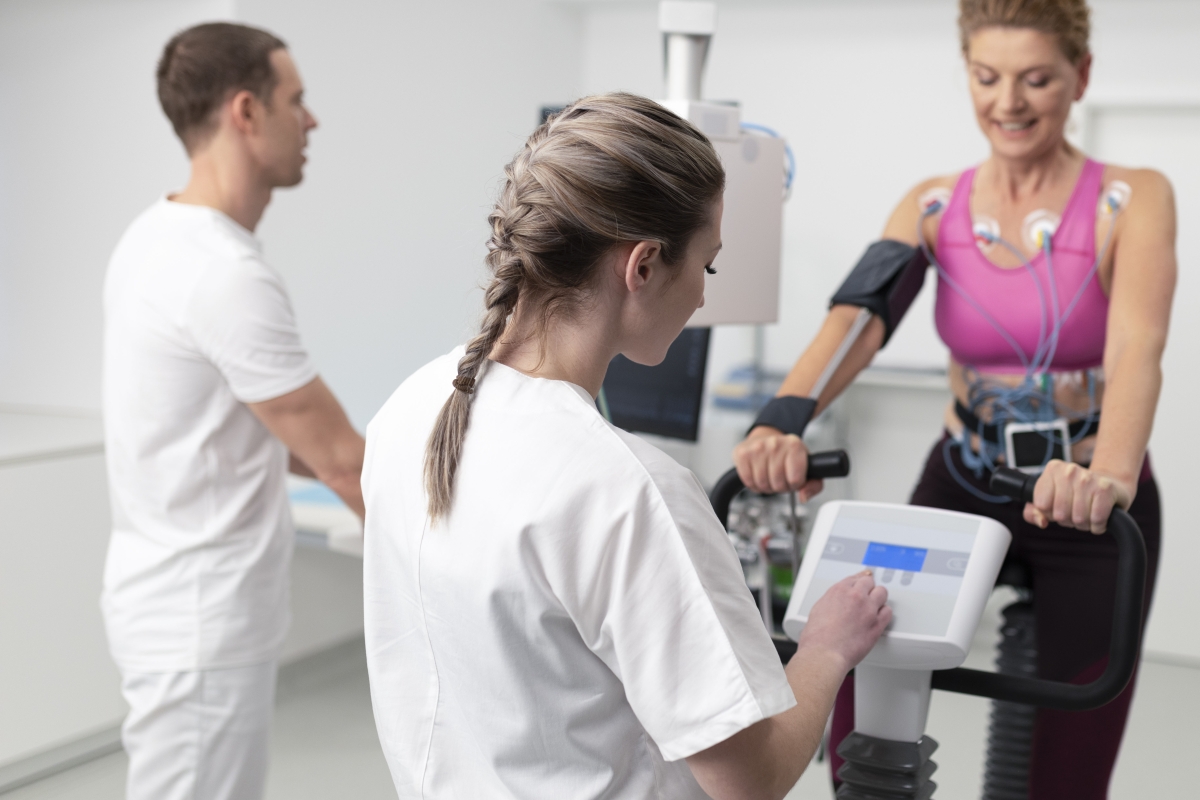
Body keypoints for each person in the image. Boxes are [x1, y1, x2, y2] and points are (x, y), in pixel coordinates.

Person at [361, 93, 891, 800]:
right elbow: (750, 779)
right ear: (641, 266)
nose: (704, 299)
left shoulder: (412, 406)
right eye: (707, 266)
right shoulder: (629, 490)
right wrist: (828, 646)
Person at [733, 1, 1175, 797]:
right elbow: (857, 322)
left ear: (1081, 77)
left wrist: (1110, 478)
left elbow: (1138, 348)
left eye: (1037, 79)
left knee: (1071, 753)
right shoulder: (935, 205)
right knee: (856, 694)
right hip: (963, 482)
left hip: (1084, 496)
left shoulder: (1132, 200)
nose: (1008, 102)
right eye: (987, 77)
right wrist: (782, 419)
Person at [102, 22, 365, 800]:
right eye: (297, 100)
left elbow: (231, 426)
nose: (311, 120)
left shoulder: (154, 237)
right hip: (198, 617)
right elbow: (341, 460)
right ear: (246, 112)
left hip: (171, 601)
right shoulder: (221, 272)